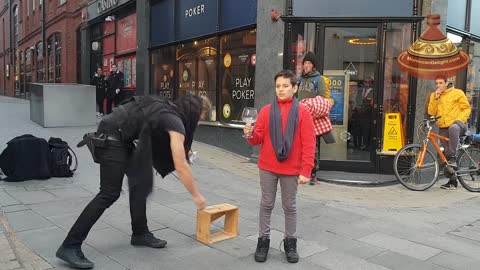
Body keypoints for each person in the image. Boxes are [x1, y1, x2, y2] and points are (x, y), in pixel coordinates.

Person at [56, 94, 210, 269]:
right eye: (199, 119)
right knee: (108, 194)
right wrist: (196, 195)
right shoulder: (174, 120)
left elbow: (164, 138)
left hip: (122, 136)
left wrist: (184, 151)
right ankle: (70, 245)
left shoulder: (168, 110)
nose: (197, 124)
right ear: (194, 113)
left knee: (138, 183)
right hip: (112, 138)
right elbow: (180, 165)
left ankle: (140, 233)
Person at [244, 70, 315, 263]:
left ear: (295, 87)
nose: (281, 90)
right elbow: (257, 139)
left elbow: (309, 144)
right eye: (278, 86)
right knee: (266, 204)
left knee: (289, 206)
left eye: (285, 86)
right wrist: (250, 133)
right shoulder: (267, 111)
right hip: (267, 166)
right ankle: (263, 240)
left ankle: (290, 242)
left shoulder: (303, 113)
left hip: (291, 169)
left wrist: (306, 171)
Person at [427, 74, 471, 190]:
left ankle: (453, 157)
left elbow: (466, 108)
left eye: (441, 83)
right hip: (443, 127)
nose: (438, 85)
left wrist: (459, 120)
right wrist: (436, 98)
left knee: (453, 129)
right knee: (445, 154)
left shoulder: (457, 93)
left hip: (459, 124)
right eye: (436, 83)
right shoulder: (434, 95)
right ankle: (453, 182)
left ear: (447, 83)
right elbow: (431, 112)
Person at [297, 51, 335, 185]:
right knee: (299, 144)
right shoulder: (300, 79)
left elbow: (323, 98)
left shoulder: (319, 79)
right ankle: (301, 170)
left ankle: (313, 174)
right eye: (304, 63)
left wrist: (311, 107)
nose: (305, 66)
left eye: (308, 63)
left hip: (312, 117)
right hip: (299, 116)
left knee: (313, 146)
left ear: (313, 66)